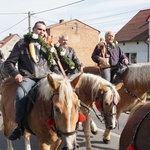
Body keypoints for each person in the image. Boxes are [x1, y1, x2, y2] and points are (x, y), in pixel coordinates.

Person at [4, 21, 56, 140]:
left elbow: (54, 65)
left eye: (44, 30)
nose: (42, 32)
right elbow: (9, 63)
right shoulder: (22, 43)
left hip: (45, 77)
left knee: (62, 94)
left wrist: (60, 77)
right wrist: (16, 74)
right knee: (21, 95)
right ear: (33, 29)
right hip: (29, 77)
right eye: (39, 29)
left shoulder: (47, 45)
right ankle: (20, 126)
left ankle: (63, 126)